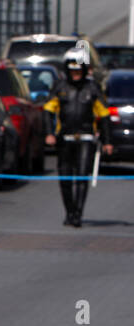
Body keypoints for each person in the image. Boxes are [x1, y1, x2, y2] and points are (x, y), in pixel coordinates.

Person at [42, 49, 113, 227]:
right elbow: (47, 111)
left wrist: (107, 141)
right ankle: (69, 211)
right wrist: (49, 133)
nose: (75, 74)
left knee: (81, 177)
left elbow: (104, 115)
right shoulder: (59, 87)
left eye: (78, 71)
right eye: (72, 71)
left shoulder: (93, 87)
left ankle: (78, 214)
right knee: (65, 179)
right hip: (64, 138)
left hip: (86, 138)